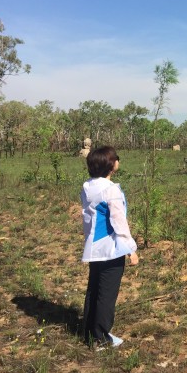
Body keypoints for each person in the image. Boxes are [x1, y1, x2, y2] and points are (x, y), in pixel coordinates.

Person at [81, 146, 138, 349]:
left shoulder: (88, 186)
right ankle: (101, 338)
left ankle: (89, 331)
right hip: (111, 248)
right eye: (116, 158)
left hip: (93, 248)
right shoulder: (111, 190)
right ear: (111, 165)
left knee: (94, 290)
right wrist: (131, 248)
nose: (117, 161)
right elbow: (118, 221)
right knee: (107, 294)